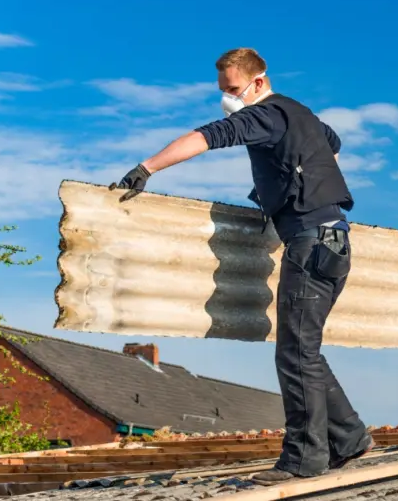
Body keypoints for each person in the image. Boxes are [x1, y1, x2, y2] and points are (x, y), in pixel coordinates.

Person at [108, 48, 374, 484]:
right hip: (333, 239)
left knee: (295, 353)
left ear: (257, 82)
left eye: (232, 90)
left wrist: (147, 167)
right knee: (304, 349)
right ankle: (349, 439)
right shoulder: (300, 113)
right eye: (222, 91)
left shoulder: (265, 114)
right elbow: (333, 144)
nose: (227, 99)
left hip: (311, 243)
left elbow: (208, 135)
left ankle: (303, 459)